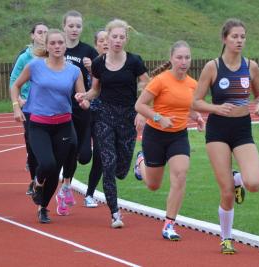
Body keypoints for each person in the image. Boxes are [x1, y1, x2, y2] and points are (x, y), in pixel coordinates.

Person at [191, 18, 259, 254]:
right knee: (225, 192)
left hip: (243, 128)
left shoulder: (251, 66)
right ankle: (226, 238)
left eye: (242, 36)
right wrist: (215, 108)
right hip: (218, 130)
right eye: (235, 36)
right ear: (225, 39)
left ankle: (238, 180)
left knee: (254, 183)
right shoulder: (212, 67)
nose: (239, 40)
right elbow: (195, 101)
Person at [76, 19, 149, 228]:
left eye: (121, 37)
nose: (117, 40)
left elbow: (147, 83)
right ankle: (115, 213)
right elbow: (96, 89)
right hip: (105, 115)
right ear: (107, 38)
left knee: (120, 170)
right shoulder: (98, 63)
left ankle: (136, 162)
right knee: (107, 163)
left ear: (126, 39)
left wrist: (141, 107)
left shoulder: (134, 61)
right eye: (114, 37)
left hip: (127, 116)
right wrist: (85, 97)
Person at [11, 29, 90, 223]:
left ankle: (43, 207)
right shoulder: (35, 66)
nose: (57, 46)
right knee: (47, 164)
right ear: (46, 46)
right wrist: (16, 107)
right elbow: (15, 85)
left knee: (55, 171)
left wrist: (83, 100)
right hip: (39, 124)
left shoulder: (74, 70)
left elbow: (83, 98)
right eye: (53, 43)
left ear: (65, 46)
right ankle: (37, 182)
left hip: (63, 124)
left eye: (60, 43)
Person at [134, 40, 205, 241]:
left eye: (187, 57)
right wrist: (159, 118)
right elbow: (140, 106)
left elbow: (187, 106)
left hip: (178, 136)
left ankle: (169, 224)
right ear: (172, 59)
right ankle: (140, 163)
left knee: (181, 174)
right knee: (153, 185)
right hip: (155, 135)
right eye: (179, 57)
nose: (184, 61)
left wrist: (197, 117)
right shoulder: (160, 80)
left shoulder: (193, 84)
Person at [57, 10, 99, 215]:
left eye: (78, 26)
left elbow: (101, 79)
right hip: (61, 109)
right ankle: (65, 188)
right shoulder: (57, 49)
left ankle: (65, 184)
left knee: (83, 156)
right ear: (64, 26)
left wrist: (92, 70)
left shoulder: (89, 51)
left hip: (82, 109)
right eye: (71, 25)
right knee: (68, 147)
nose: (74, 29)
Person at [10, 22, 49, 195]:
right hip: (30, 106)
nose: (42, 35)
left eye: (46, 32)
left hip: (50, 106)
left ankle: (43, 175)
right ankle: (34, 180)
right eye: (39, 32)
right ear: (32, 36)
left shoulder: (54, 55)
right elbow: (14, 81)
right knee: (32, 145)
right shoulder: (25, 57)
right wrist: (17, 102)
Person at [83, 29, 108, 208]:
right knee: (84, 155)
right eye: (102, 40)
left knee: (99, 155)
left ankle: (89, 194)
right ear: (96, 44)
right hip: (85, 114)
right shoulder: (88, 64)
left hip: (104, 116)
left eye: (108, 39)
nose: (106, 43)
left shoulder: (118, 65)